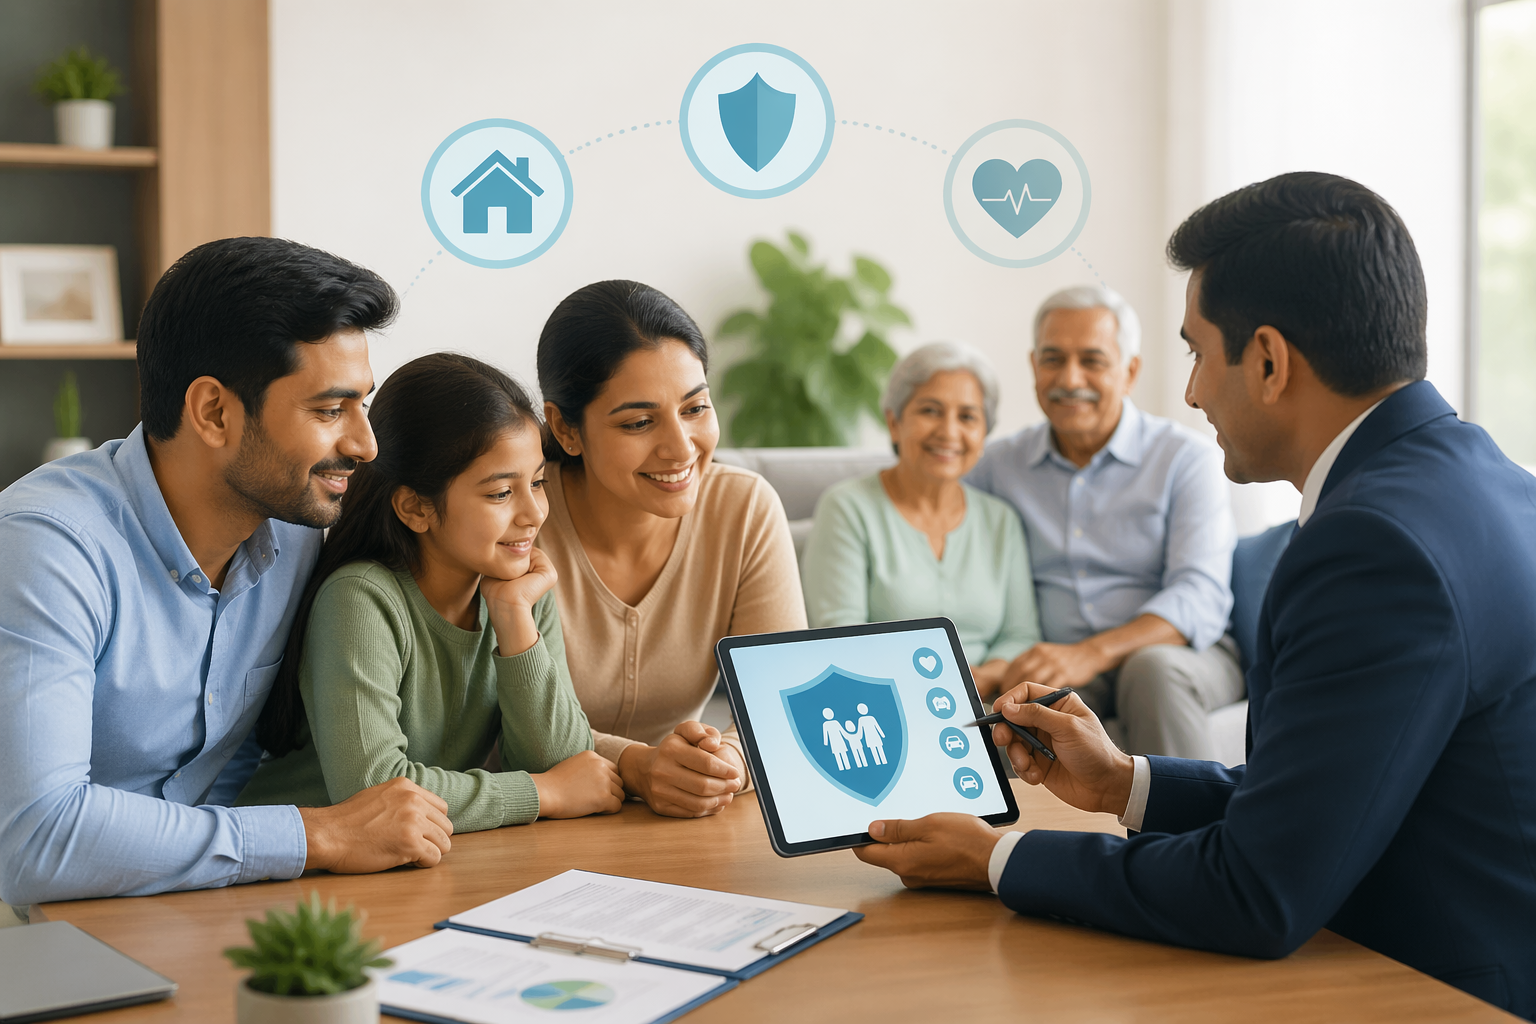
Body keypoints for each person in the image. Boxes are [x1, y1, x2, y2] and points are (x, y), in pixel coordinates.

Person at [852, 172, 1536, 1018]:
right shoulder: (1486, 483)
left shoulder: (1371, 546)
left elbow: (1256, 889)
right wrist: (1122, 785)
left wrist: (997, 858)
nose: (1191, 392)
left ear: (1271, 361)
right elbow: (1326, 799)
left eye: (1196, 353)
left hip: (1431, 989)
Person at [0, 238, 454, 908]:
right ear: (213, 412)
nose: (365, 444)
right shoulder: (47, 548)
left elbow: (239, 764)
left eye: (363, 404)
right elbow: (36, 839)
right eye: (330, 410)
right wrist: (315, 837)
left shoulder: (294, 526)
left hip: (185, 907)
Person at [236, 354, 624, 830]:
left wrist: (514, 617)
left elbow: (563, 762)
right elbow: (374, 792)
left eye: (538, 483)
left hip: (418, 859)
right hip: (292, 877)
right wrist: (542, 793)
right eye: (501, 493)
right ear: (416, 508)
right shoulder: (360, 598)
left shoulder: (520, 592)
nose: (533, 514)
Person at [536, 280, 807, 818]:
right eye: (638, 422)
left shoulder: (744, 508)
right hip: (533, 822)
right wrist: (637, 766)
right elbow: (500, 725)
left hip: (677, 825)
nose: (681, 449)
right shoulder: (516, 518)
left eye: (695, 408)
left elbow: (781, 702)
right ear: (566, 427)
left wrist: (726, 761)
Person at [967, 285, 1239, 759]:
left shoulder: (1184, 459)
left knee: (1151, 671)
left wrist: (1091, 652)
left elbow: (1201, 594)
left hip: (1179, 656)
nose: (1070, 378)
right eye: (1053, 359)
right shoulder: (995, 467)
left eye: (1092, 360)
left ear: (1129, 371)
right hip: (1056, 665)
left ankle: (1188, 833)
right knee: (1014, 708)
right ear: (1034, 367)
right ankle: (1021, 835)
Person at [802, 342, 1041, 696]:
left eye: (967, 417)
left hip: (988, 703)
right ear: (894, 422)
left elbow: (1020, 636)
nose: (948, 432)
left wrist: (983, 677)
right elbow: (840, 634)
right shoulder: (846, 507)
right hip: (881, 698)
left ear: (984, 435)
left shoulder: (1000, 519)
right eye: (930, 411)